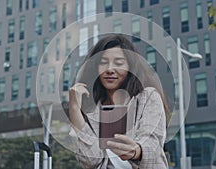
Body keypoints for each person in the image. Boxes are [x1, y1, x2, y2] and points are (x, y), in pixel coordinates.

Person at [69, 34, 170, 169]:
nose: (110, 69)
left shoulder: (148, 97)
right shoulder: (90, 107)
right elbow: (91, 160)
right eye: (103, 62)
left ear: (130, 67)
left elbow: (153, 144)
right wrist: (74, 109)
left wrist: (136, 150)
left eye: (119, 63)